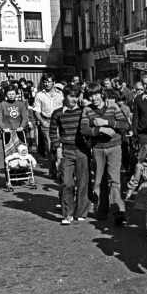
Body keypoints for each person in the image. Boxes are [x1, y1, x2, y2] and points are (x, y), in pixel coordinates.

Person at [80, 82, 130, 225]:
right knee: (99, 181)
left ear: (101, 93)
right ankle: (102, 209)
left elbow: (125, 125)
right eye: (91, 95)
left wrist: (106, 122)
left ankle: (118, 212)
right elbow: (84, 129)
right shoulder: (87, 110)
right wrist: (99, 130)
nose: (94, 98)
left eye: (96, 94)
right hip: (98, 148)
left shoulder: (113, 107)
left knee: (115, 180)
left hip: (115, 147)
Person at [49, 85, 90, 225]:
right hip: (66, 151)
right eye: (71, 96)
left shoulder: (83, 112)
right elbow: (53, 133)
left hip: (82, 150)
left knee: (83, 182)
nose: (74, 99)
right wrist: (57, 150)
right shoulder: (57, 113)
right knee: (66, 182)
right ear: (65, 96)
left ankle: (81, 211)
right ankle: (67, 214)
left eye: (76, 96)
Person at [33, 73, 63, 176]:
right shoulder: (39, 95)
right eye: (44, 82)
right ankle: (52, 170)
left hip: (59, 123)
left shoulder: (60, 94)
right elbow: (36, 111)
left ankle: (60, 171)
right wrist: (42, 121)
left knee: (59, 147)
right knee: (50, 148)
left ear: (54, 83)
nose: (46, 84)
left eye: (48, 81)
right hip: (47, 122)